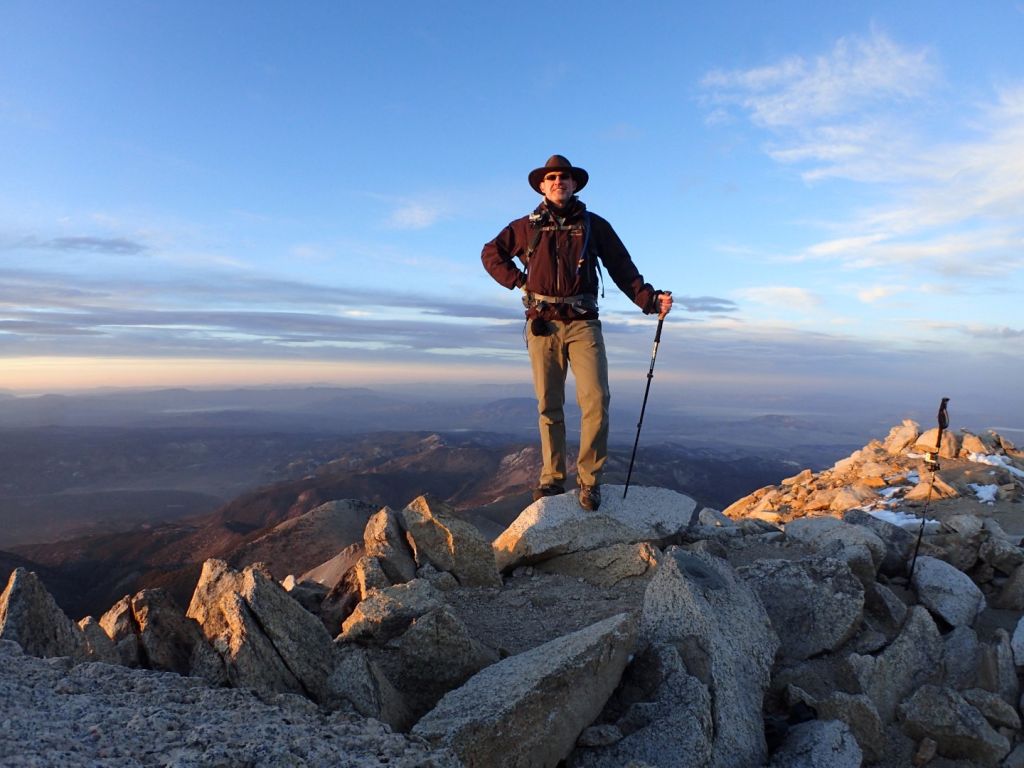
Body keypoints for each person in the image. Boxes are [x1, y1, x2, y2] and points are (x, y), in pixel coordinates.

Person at [482, 154, 673, 511]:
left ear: (574, 185)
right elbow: (491, 254)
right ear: (542, 185)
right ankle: (552, 480)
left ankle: (589, 480)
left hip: (584, 323)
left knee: (596, 400)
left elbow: (622, 268)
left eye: (565, 177)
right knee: (549, 405)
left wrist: (649, 300)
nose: (558, 182)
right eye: (552, 177)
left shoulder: (593, 225)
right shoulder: (525, 227)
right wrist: (520, 281)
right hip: (542, 324)